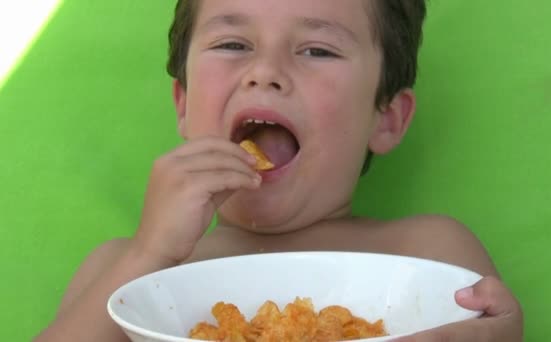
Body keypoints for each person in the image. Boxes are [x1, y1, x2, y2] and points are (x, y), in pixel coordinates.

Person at [35, 0, 523, 341]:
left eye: (317, 50)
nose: (264, 70)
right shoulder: (123, 269)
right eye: (231, 44)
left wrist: (504, 331)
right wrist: (149, 253)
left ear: (387, 118)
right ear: (183, 105)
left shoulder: (424, 254)